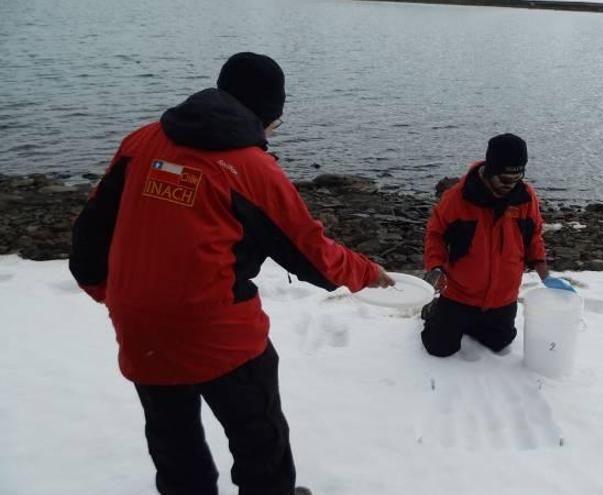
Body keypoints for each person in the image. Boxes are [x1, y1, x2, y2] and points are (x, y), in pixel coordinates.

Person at [69, 52, 393, 495]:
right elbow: (310, 253)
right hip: (217, 330)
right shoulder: (252, 169)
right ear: (268, 113)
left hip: (138, 322)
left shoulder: (142, 140)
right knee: (259, 436)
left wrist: (108, 290)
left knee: (171, 435)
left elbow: (91, 227)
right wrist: (368, 272)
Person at [421, 133, 574, 358]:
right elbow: (436, 234)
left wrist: (545, 275)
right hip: (460, 294)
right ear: (490, 170)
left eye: (516, 179)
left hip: (503, 297)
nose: (510, 186)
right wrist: (435, 267)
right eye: (503, 179)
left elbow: (534, 237)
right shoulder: (457, 198)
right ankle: (434, 310)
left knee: (499, 342)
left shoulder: (525, 197)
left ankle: (474, 323)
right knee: (439, 348)